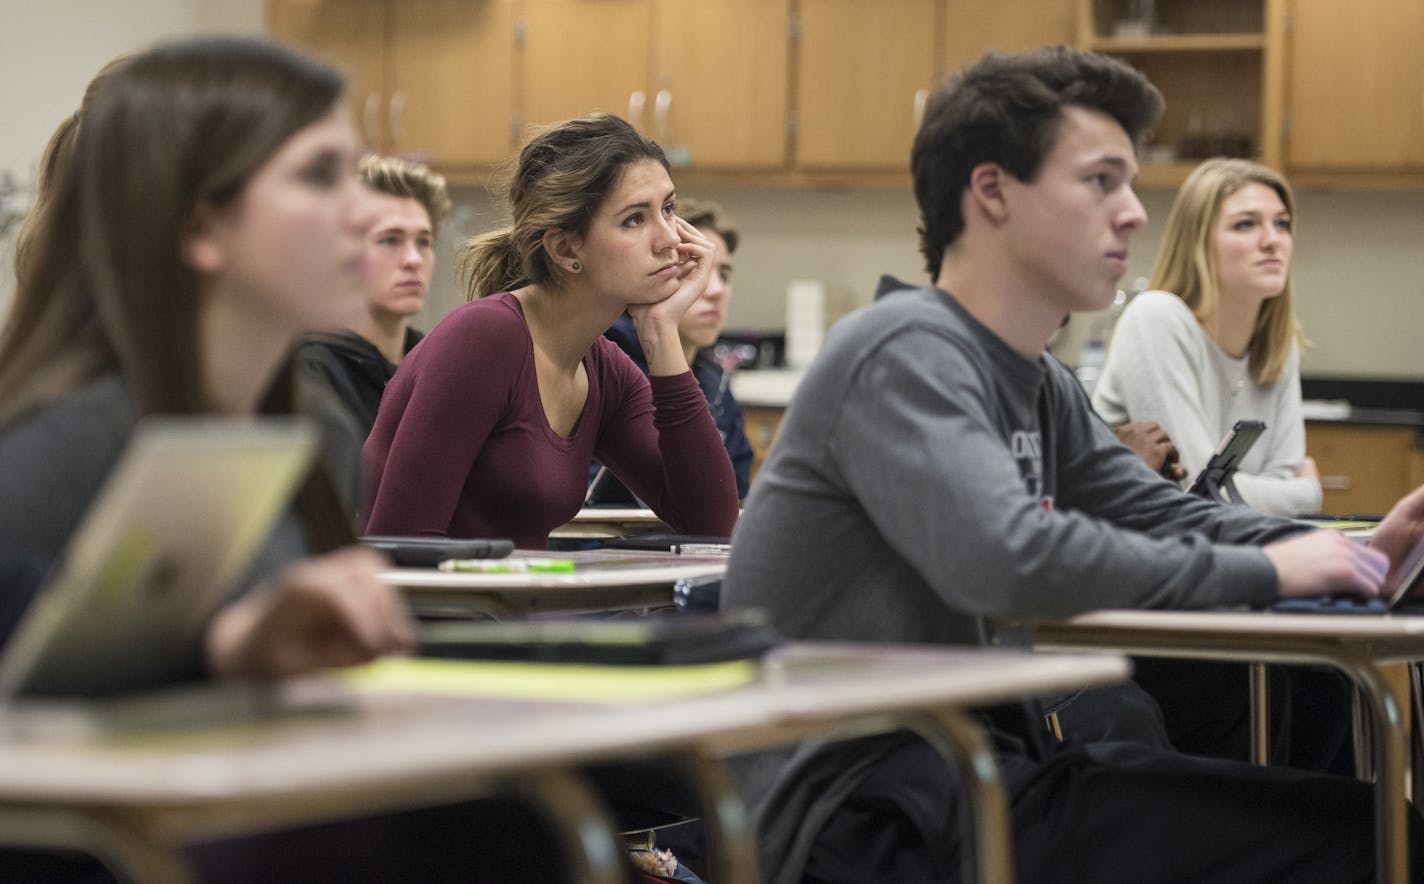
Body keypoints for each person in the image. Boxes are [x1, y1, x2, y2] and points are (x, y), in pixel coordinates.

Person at [721, 45, 1424, 882]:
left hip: (979, 770)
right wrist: (1275, 571)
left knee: (1372, 821)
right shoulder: (903, 348)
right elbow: (1007, 559)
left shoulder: (1038, 378)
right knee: (1364, 839)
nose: (1132, 213)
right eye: (1100, 181)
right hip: (865, 809)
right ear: (992, 191)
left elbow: (1163, 509)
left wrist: (1349, 553)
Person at [0, 37, 597, 884]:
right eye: (320, 177)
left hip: (241, 818)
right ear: (201, 226)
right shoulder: (61, 439)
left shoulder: (309, 426)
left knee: (518, 824)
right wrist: (223, 648)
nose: (364, 215)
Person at [363, 114, 739, 548]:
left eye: (668, 209)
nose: (670, 238)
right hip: (444, 615)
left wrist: (661, 331)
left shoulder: (602, 367)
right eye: (635, 219)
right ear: (565, 249)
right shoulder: (485, 339)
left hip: (520, 612)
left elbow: (711, 524)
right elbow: (401, 553)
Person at [1093, 157, 1321, 518]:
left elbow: (1272, 477)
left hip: (1233, 548)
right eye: (1245, 225)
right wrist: (1306, 494)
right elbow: (1197, 491)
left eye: (1282, 224)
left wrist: (1282, 493)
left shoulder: (1279, 344)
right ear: (1198, 242)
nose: (1272, 240)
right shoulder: (1158, 318)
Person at [590, 197, 753, 505]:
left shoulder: (717, 387)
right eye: (694, 270)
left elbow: (738, 507)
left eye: (725, 275)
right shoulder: (603, 367)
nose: (716, 291)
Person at [300, 154, 451, 439]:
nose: (413, 259)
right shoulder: (311, 372)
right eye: (390, 240)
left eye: (423, 242)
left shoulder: (437, 363)